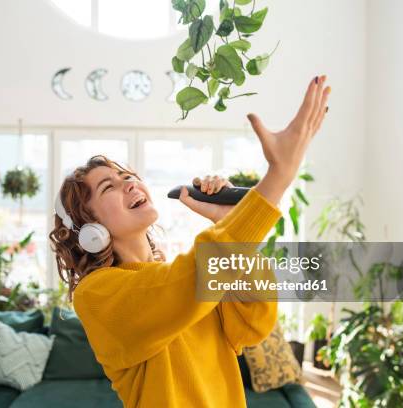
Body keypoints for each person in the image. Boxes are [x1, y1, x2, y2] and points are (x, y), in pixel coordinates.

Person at [49, 76, 331, 407]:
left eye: (127, 177)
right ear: (89, 228)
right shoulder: (96, 295)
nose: (129, 184)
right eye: (108, 187)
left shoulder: (179, 280)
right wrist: (277, 178)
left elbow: (253, 324)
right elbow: (188, 279)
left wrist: (226, 221)